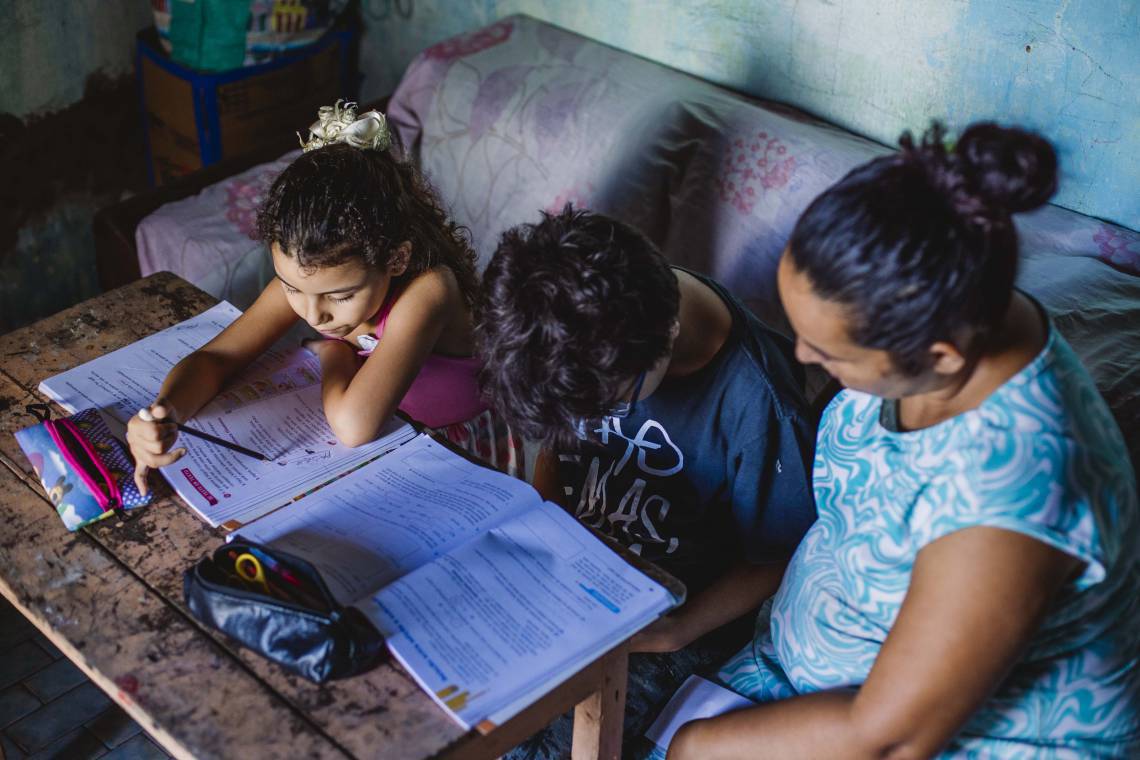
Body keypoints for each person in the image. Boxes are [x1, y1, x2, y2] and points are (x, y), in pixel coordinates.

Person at [666, 123, 1140, 759]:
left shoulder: (1014, 497)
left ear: (941, 356)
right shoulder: (948, 304)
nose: (802, 355)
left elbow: (889, 737)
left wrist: (696, 746)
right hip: (805, 669)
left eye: (829, 351)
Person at [477, 205, 818, 757]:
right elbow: (557, 446)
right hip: (568, 568)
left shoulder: (759, 405)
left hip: (674, 611)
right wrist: (544, 519)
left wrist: (679, 630)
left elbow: (778, 554)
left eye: (606, 404)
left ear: (668, 335)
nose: (592, 416)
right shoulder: (581, 336)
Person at [127, 102, 521, 491]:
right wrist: (166, 413)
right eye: (292, 288)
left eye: (342, 296)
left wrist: (334, 355)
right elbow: (217, 358)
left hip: (454, 452)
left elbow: (354, 426)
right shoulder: (310, 283)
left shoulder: (430, 289)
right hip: (391, 438)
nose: (315, 316)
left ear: (397, 259)